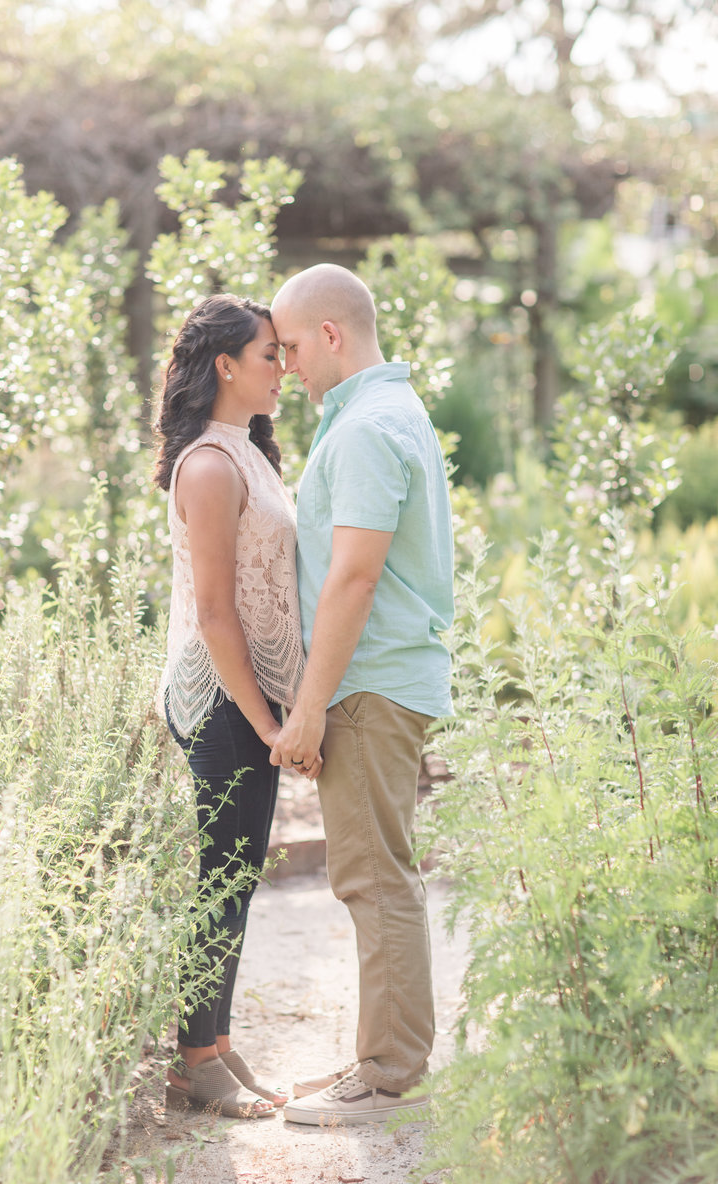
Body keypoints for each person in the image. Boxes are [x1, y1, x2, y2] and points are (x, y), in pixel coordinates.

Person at [268, 263, 454, 1125]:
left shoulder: (368, 428)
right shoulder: (378, 414)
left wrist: (308, 707)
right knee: (374, 874)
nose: (289, 366)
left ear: (332, 336)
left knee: (375, 878)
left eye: (294, 347)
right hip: (376, 680)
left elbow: (353, 578)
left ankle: (388, 1080)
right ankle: (381, 1064)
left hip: (369, 685)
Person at [153, 294, 317, 1120]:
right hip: (220, 699)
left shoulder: (248, 452)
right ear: (224, 366)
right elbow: (216, 612)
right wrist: (267, 723)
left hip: (250, 695)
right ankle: (194, 1065)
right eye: (267, 355)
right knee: (222, 880)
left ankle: (213, 1046)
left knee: (239, 876)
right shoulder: (211, 467)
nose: (284, 369)